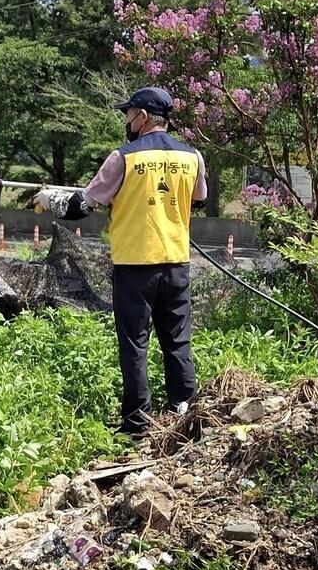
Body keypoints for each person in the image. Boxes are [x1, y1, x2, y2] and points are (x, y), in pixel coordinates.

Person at [34, 86, 207, 437]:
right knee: (177, 341)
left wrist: (49, 198)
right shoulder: (193, 157)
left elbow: (80, 206)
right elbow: (199, 200)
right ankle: (186, 414)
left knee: (135, 345)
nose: (126, 121)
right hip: (176, 263)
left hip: (134, 267)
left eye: (128, 114)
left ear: (142, 116)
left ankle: (138, 425)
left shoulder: (123, 157)